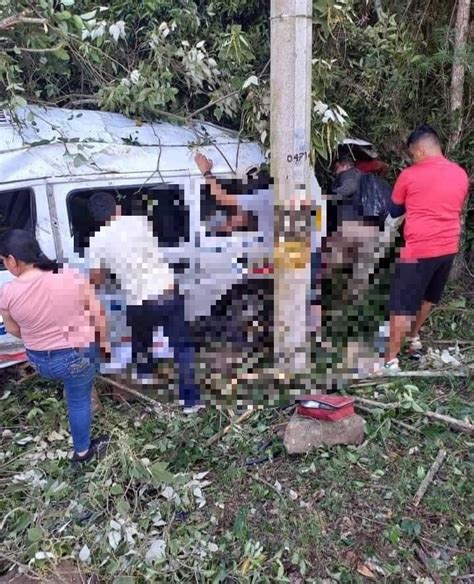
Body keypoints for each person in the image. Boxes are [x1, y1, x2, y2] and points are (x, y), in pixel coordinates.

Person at [85, 192, 201, 414]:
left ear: (96, 219)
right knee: (182, 347)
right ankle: (191, 401)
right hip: (167, 292)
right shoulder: (139, 222)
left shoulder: (97, 241)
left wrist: (95, 281)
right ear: (117, 207)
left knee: (140, 334)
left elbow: (98, 278)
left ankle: (145, 373)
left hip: (138, 300)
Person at [0, 230, 109, 463]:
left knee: (74, 386)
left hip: (40, 361)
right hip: (76, 358)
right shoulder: (68, 274)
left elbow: (14, 330)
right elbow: (97, 312)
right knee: (78, 399)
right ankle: (82, 453)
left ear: (12, 260)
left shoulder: (7, 292)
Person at [375, 125, 469, 375]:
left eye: (412, 154)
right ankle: (413, 339)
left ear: (419, 150)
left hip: (418, 249)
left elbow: (394, 214)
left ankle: (390, 360)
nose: (411, 158)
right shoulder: (461, 174)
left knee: (401, 304)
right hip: (448, 247)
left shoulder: (409, 175)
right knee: (429, 297)